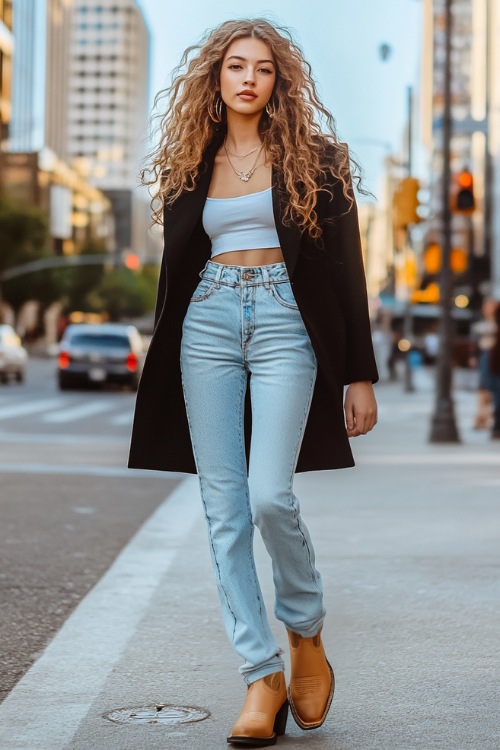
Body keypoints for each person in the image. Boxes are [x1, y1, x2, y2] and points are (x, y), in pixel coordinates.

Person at [129, 19, 378, 746]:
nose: (247, 78)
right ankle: (259, 674)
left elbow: (347, 274)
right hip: (206, 324)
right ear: (215, 79)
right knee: (224, 511)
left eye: (263, 69)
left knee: (270, 495)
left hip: (284, 324)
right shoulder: (187, 165)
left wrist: (358, 373)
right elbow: (177, 275)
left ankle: (304, 628)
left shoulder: (318, 162)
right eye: (235, 66)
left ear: (279, 83)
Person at [469, 298, 498, 429]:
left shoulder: (496, 324)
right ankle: (482, 417)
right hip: (485, 356)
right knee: (484, 387)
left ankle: (490, 417)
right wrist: (473, 356)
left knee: (494, 388)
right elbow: (474, 343)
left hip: (496, 357)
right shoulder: (479, 324)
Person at [488, 304, 500, 439]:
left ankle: (497, 426)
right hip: (496, 369)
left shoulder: (494, 331)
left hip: (496, 369)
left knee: (498, 399)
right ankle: (497, 426)